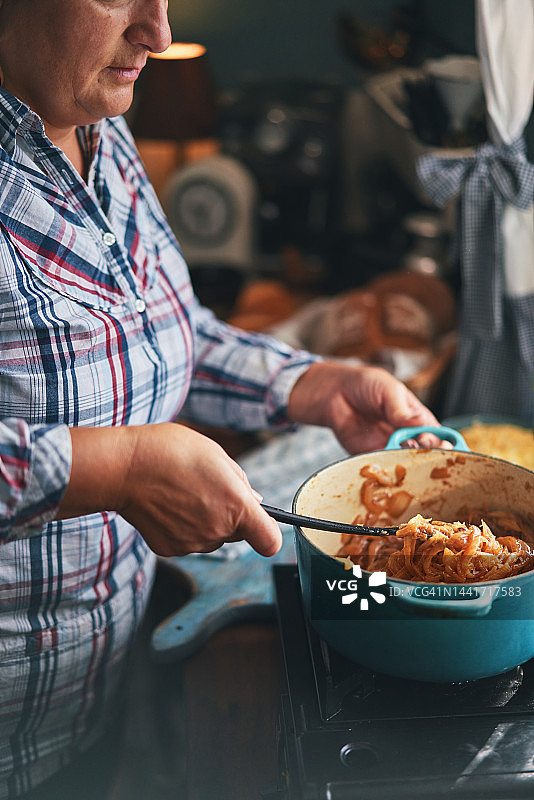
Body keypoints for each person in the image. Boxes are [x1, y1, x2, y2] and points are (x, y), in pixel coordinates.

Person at [0, 1, 445, 797]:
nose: (159, 34)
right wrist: (114, 470)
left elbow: (170, 335)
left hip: (93, 695)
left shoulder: (97, 120)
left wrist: (313, 386)